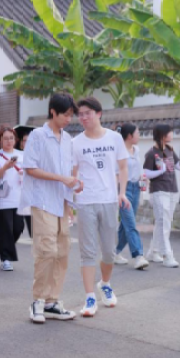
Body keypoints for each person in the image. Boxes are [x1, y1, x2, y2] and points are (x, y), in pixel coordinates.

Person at [21, 93, 79, 323]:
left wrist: (73, 187)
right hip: (42, 200)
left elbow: (69, 171)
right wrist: (61, 179)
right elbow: (30, 168)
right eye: (66, 114)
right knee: (47, 251)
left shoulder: (68, 139)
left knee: (63, 251)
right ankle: (37, 300)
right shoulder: (37, 135)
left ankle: (52, 301)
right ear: (53, 111)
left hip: (62, 202)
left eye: (71, 115)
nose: (69, 119)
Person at [72, 96, 130, 317]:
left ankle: (105, 283)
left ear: (98, 113)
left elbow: (123, 167)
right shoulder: (75, 143)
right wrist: (70, 199)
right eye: (80, 114)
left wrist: (122, 192)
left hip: (109, 200)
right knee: (87, 252)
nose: (83, 117)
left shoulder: (114, 138)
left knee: (108, 252)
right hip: (85, 201)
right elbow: (72, 173)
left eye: (87, 113)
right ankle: (89, 298)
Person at [143, 123, 180, 269]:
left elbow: (179, 165)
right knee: (164, 222)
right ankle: (167, 256)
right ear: (162, 135)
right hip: (159, 191)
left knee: (163, 222)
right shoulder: (152, 153)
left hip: (172, 189)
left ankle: (153, 252)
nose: (172, 134)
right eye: (170, 132)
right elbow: (146, 173)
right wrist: (160, 171)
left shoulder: (169, 150)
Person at [113, 123, 149, 270]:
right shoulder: (119, 152)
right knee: (131, 223)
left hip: (136, 188)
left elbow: (137, 169)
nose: (139, 135)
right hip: (124, 189)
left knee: (126, 224)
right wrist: (117, 192)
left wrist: (142, 177)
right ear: (129, 136)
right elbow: (116, 173)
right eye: (137, 133)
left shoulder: (136, 150)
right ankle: (138, 255)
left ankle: (115, 252)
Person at [0, 126, 25, 272]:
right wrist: (5, 167)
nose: (9, 141)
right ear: (0, 140)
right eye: (5, 138)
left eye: (11, 138)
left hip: (19, 198)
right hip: (1, 199)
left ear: (15, 140)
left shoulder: (22, 155)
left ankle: (7, 247)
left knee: (18, 227)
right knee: (5, 229)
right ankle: (5, 259)